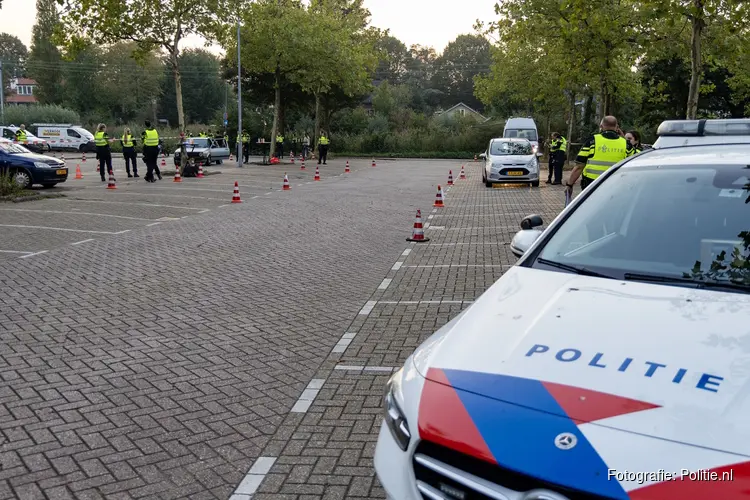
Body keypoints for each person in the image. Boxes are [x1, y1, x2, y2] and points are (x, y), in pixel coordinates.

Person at [565, 116, 634, 197]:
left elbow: (579, 166)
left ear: (601, 127)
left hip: (592, 186)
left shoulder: (592, 141)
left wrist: (570, 185)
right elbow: (632, 167)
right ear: (617, 127)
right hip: (616, 186)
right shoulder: (626, 145)